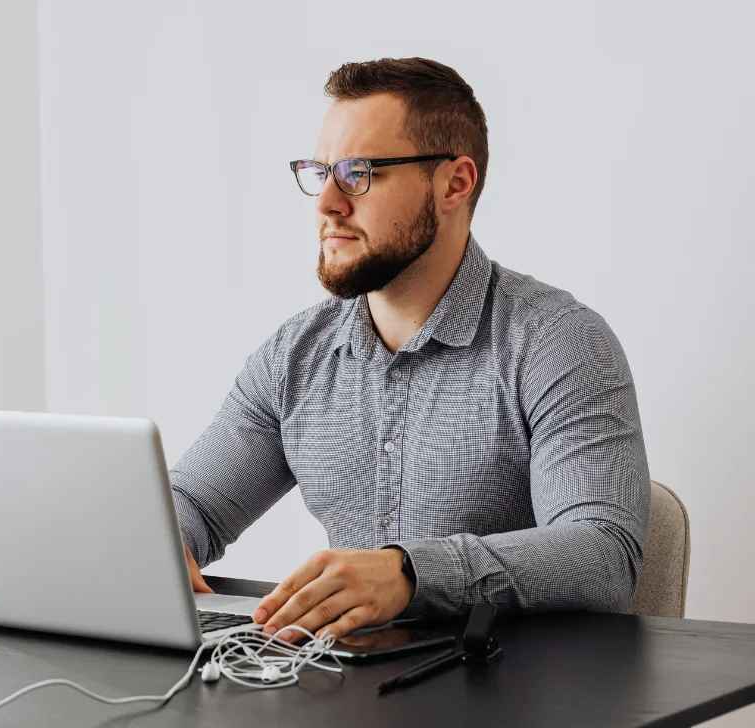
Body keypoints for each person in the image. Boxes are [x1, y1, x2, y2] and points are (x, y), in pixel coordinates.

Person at [172, 57, 650, 640]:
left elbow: (604, 552)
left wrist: (410, 573)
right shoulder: (293, 357)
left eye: (359, 172)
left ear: (455, 184)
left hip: (510, 681)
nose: (327, 202)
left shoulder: (557, 341)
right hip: (345, 678)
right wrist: (163, 540)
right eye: (321, 172)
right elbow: (192, 503)